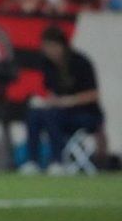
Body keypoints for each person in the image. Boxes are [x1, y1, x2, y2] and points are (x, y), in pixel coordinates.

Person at [21, 26, 103, 175]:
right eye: (45, 46)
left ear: (62, 46)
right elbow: (52, 91)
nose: (48, 50)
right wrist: (47, 101)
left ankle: (57, 161)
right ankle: (32, 161)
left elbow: (94, 94)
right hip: (60, 112)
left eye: (51, 46)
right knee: (34, 114)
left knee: (52, 115)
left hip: (86, 114)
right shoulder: (47, 64)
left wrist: (68, 101)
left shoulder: (81, 63)